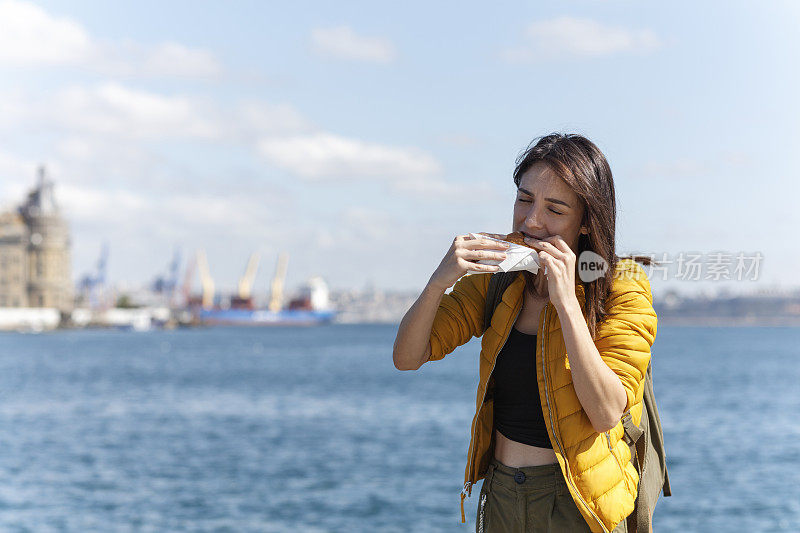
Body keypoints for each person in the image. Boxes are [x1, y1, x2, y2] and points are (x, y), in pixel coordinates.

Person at [393, 133, 658, 533]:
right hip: (501, 493)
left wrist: (567, 301)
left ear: (586, 222)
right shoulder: (499, 279)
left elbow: (606, 413)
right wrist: (437, 282)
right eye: (524, 199)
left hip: (578, 503)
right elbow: (407, 358)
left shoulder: (622, 285)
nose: (532, 221)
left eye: (554, 209)